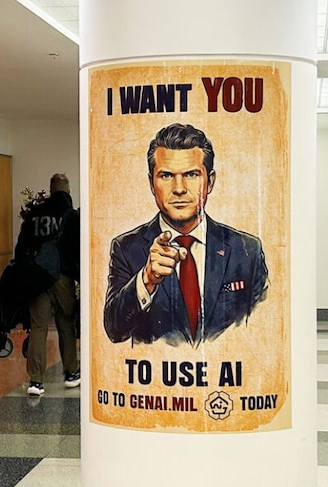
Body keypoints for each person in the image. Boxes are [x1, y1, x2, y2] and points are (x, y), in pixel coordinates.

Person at [103, 123, 268, 345]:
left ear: (210, 182)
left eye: (191, 174)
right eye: (166, 175)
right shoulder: (127, 248)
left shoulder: (247, 249)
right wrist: (146, 280)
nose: (179, 188)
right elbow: (114, 331)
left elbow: (264, 329)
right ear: (152, 183)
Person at [15, 174, 80, 395]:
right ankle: (71, 372)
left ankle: (36, 381)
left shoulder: (34, 215)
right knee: (66, 324)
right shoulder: (71, 215)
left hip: (37, 278)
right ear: (68, 191)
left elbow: (21, 247)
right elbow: (78, 248)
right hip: (63, 277)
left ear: (50, 191)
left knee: (38, 327)